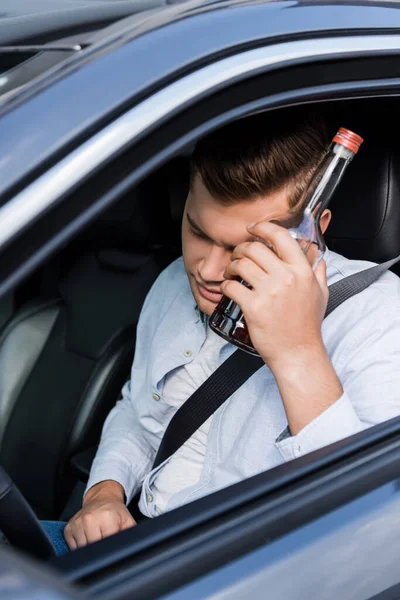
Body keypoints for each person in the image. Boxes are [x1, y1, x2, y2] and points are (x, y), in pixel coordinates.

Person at [58, 111, 400, 551]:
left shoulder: (379, 315)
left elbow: (371, 530)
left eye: (243, 247)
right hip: (137, 547)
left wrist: (299, 351)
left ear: (314, 233)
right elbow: (139, 413)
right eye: (198, 232)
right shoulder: (172, 283)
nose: (208, 270)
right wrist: (104, 494)